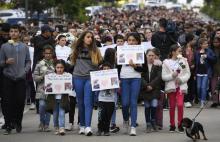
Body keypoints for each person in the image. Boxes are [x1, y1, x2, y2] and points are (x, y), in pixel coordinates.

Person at [0, 24, 31, 135]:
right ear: (9, 33)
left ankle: (17, 122)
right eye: (11, 31)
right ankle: (8, 124)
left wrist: (25, 71)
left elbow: (28, 61)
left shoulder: (24, 46)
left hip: (20, 78)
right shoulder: (4, 46)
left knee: (19, 101)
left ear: (19, 33)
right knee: (7, 102)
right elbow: (1, 62)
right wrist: (5, 62)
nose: (13, 33)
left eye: (15, 31)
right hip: (8, 77)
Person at [71, 31, 102, 136]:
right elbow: (72, 62)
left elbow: (99, 65)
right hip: (77, 77)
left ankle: (88, 127)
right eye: (88, 37)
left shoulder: (95, 50)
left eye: (91, 37)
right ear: (83, 38)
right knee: (80, 103)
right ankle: (82, 125)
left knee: (88, 102)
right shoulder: (76, 48)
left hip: (90, 78)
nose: (90, 39)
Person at [162, 44, 190, 133]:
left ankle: (180, 124)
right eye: (179, 51)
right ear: (173, 52)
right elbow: (163, 77)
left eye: (181, 51)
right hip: (171, 87)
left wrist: (181, 79)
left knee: (180, 105)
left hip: (180, 87)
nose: (181, 52)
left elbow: (187, 74)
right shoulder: (166, 62)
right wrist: (172, 75)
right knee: (172, 106)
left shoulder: (183, 61)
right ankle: (172, 125)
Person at [120, 32, 142, 136]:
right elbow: (117, 65)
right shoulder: (122, 50)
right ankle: (125, 120)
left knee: (133, 103)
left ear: (137, 41)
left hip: (136, 78)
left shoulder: (141, 51)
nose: (131, 42)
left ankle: (133, 126)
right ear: (127, 41)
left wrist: (135, 66)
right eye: (129, 40)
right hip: (124, 78)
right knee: (124, 104)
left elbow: (144, 69)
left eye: (133, 40)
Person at [33, 45, 55, 132]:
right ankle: (41, 122)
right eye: (46, 53)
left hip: (52, 89)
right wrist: (42, 76)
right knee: (42, 106)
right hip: (42, 89)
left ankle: (46, 125)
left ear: (52, 54)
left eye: (49, 53)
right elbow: (34, 77)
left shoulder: (55, 63)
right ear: (43, 53)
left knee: (49, 107)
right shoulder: (39, 64)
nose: (48, 55)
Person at [46, 60, 70, 136]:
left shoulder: (67, 75)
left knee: (62, 113)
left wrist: (69, 86)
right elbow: (47, 86)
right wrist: (46, 87)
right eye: (58, 67)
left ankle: (62, 127)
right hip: (53, 99)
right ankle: (56, 127)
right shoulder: (51, 76)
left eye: (61, 67)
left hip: (63, 98)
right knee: (55, 114)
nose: (59, 69)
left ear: (64, 68)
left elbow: (69, 87)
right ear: (55, 68)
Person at [140, 49, 162, 133]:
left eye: (153, 55)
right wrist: (146, 85)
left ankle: (153, 120)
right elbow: (140, 77)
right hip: (145, 89)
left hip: (154, 89)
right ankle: (148, 124)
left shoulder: (158, 65)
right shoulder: (142, 65)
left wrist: (151, 85)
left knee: (154, 105)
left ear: (155, 56)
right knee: (147, 106)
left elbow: (159, 77)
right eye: (149, 55)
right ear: (146, 56)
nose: (151, 57)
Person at [195, 38, 217, 108]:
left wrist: (207, 56)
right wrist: (199, 54)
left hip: (206, 72)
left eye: (207, 43)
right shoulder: (197, 52)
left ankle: (202, 101)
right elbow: (196, 62)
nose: (206, 45)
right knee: (198, 87)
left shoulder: (209, 51)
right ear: (201, 45)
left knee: (203, 87)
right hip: (199, 72)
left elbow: (214, 59)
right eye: (204, 44)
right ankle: (199, 98)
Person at [96, 62, 117, 136]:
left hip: (111, 100)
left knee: (108, 116)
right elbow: (95, 86)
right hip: (101, 99)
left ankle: (106, 130)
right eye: (104, 69)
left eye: (108, 68)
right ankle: (100, 129)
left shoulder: (114, 77)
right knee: (101, 115)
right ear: (102, 70)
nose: (106, 70)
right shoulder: (99, 77)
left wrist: (118, 83)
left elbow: (117, 88)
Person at [211, 37, 220, 107]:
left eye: (217, 42)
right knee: (214, 85)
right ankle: (215, 101)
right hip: (213, 70)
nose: (215, 43)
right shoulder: (211, 50)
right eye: (214, 42)